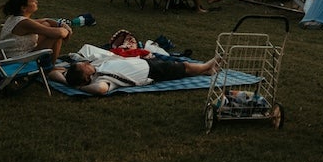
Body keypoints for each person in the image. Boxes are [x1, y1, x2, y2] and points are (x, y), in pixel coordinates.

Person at [60, 48, 216, 95]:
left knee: (180, 70)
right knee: (184, 66)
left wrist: (67, 81)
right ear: (86, 77)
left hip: (145, 63)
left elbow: (54, 71)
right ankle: (206, 66)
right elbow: (100, 90)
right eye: (84, 66)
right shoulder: (102, 80)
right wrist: (80, 88)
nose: (87, 63)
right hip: (150, 72)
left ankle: (205, 72)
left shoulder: (96, 66)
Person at [0, 0, 72, 63]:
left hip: (12, 56)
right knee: (56, 36)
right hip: (20, 61)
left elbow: (45, 20)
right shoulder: (24, 23)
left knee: (46, 24)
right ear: (23, 8)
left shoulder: (14, 18)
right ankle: (50, 68)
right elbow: (60, 33)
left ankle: (51, 66)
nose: (36, 2)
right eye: (33, 1)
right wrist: (67, 31)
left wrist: (62, 24)